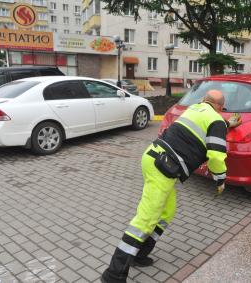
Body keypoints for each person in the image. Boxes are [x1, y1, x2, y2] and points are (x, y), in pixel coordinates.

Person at [101, 90, 242, 283]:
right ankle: (113, 275)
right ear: (219, 107)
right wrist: (220, 179)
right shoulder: (215, 120)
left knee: (167, 212)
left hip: (154, 158)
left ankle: (140, 254)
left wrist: (226, 124)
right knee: (145, 220)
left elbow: (207, 124)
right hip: (163, 168)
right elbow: (216, 156)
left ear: (204, 101)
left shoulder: (195, 109)